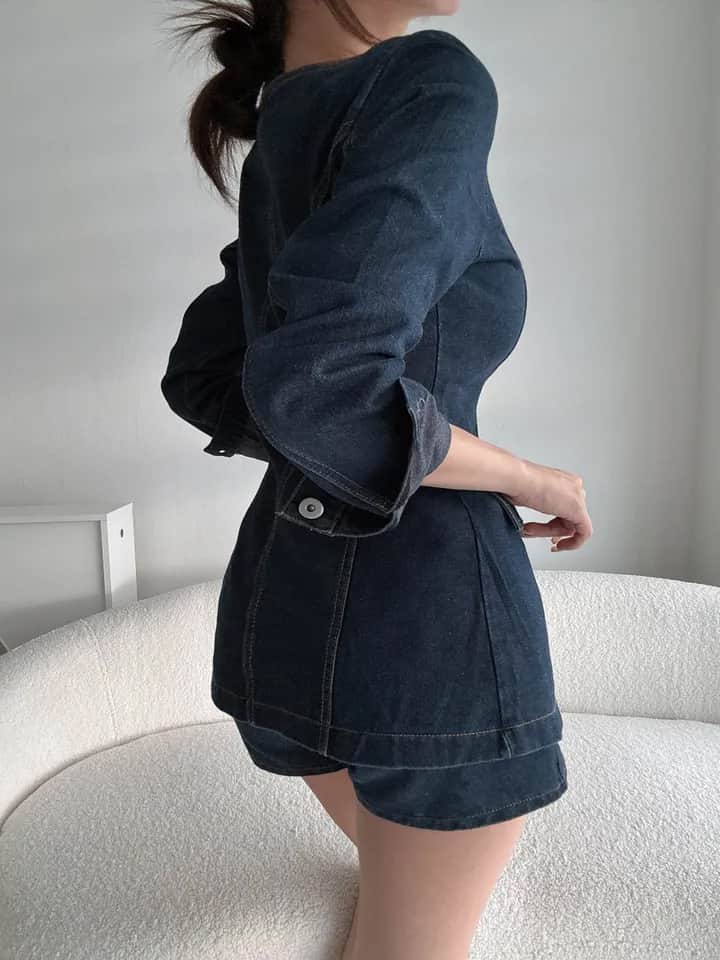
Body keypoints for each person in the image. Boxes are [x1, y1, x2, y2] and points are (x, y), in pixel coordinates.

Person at [160, 2, 593, 958]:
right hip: (427, 630)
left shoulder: (288, 116)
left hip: (284, 604)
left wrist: (334, 439)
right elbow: (323, 387)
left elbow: (211, 376)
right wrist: (531, 478)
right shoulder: (430, 79)